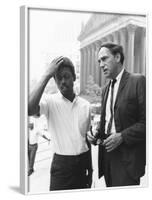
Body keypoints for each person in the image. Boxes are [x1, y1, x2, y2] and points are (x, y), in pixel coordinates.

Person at [28, 57, 92, 190]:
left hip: (82, 165)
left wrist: (90, 170)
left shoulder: (86, 106)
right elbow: (28, 109)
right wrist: (46, 75)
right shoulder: (49, 102)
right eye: (58, 78)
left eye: (66, 76)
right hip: (61, 167)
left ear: (74, 77)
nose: (63, 82)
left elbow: (86, 139)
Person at [87, 43, 146, 187]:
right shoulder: (105, 89)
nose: (101, 65)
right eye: (99, 61)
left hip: (127, 160)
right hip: (107, 158)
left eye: (104, 59)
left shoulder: (137, 81)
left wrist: (122, 136)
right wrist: (96, 135)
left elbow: (147, 122)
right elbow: (107, 121)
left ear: (118, 57)